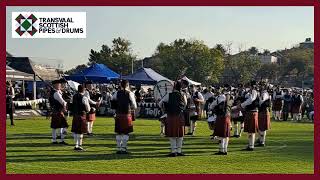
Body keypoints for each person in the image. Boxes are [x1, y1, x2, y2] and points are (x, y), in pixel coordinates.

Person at [159, 80, 187, 157]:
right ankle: (179, 151)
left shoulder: (169, 94)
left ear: (174, 87)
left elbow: (160, 103)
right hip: (180, 115)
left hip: (171, 115)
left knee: (172, 135)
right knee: (180, 134)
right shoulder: (183, 94)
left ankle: (173, 151)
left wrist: (165, 109)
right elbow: (185, 105)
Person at [111, 80, 137, 154]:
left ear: (121, 85)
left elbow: (112, 100)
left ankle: (119, 148)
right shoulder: (130, 93)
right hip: (126, 114)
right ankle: (124, 148)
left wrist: (116, 109)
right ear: (127, 85)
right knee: (125, 132)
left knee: (119, 132)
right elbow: (135, 106)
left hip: (118, 114)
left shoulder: (117, 92)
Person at [235, 81, 259, 151]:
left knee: (251, 131)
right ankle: (250, 145)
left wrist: (242, 105)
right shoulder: (250, 92)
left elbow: (251, 100)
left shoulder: (254, 92)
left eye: (249, 86)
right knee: (250, 131)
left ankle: (251, 146)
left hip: (252, 112)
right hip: (249, 112)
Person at [209, 88, 233, 155]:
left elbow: (211, 106)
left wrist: (213, 110)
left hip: (220, 117)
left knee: (221, 135)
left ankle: (221, 150)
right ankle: (225, 150)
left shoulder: (219, 98)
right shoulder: (231, 99)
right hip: (228, 117)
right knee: (226, 135)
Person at [71, 85, 91, 151]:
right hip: (82, 115)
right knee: (80, 132)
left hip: (75, 115)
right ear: (83, 90)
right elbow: (88, 109)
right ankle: (79, 146)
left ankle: (76, 145)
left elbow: (71, 105)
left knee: (76, 131)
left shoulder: (73, 96)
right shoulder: (84, 98)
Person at [49, 79, 68, 145]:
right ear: (55, 85)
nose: (60, 85)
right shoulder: (56, 93)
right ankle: (61, 140)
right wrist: (66, 107)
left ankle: (54, 140)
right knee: (64, 126)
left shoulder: (54, 92)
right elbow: (63, 102)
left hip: (55, 111)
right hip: (59, 111)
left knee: (54, 127)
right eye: (59, 84)